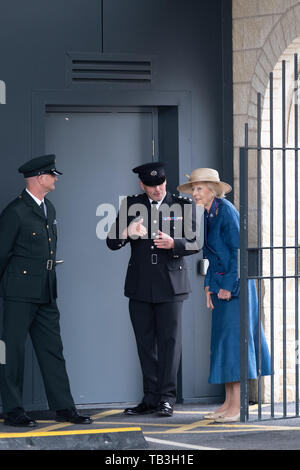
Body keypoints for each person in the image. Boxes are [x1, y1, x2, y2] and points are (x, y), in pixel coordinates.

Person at [0, 154, 92, 427]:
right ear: (40, 177)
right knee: (13, 352)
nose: (56, 178)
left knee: (53, 350)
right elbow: (1, 254)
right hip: (19, 291)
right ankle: (14, 410)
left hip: (45, 290)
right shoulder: (14, 212)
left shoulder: (48, 208)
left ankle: (65, 408)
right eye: (52, 174)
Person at [106, 162, 200, 417]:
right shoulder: (131, 205)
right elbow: (112, 242)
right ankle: (150, 397)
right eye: (151, 185)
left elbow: (195, 242)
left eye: (160, 184)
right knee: (145, 344)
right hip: (140, 285)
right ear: (142, 185)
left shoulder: (183, 204)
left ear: (166, 182)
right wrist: (127, 230)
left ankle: (166, 398)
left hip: (171, 285)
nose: (157, 189)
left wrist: (174, 243)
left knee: (170, 343)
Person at [177, 168, 271, 423]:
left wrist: (229, 286)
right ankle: (229, 403)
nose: (195, 193)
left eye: (199, 188)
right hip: (220, 286)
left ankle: (238, 407)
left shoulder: (226, 211)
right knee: (222, 344)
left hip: (236, 287)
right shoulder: (208, 214)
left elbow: (239, 251)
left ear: (212, 189)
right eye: (193, 189)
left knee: (233, 344)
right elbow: (209, 255)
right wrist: (208, 286)